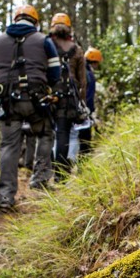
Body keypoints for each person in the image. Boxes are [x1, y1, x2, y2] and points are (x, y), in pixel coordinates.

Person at [0, 4, 60, 205]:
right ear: (35, 21)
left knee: (8, 145)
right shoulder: (44, 41)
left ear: (15, 19)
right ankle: (40, 180)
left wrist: (0, 85)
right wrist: (44, 86)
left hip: (7, 101)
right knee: (45, 134)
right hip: (37, 100)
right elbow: (55, 72)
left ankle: (5, 196)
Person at [48, 13, 87, 179]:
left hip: (52, 96)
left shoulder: (48, 45)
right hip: (71, 98)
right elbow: (82, 80)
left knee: (55, 133)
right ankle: (62, 173)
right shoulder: (76, 50)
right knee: (67, 133)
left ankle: (54, 171)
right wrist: (82, 102)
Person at [78, 47, 102, 156]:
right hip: (84, 110)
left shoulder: (81, 71)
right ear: (94, 62)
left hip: (80, 109)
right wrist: (89, 110)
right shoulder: (88, 75)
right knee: (85, 140)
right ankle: (83, 162)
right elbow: (88, 95)